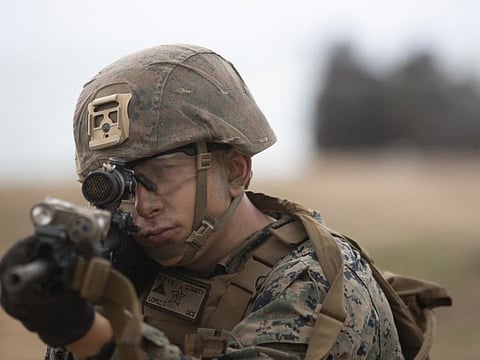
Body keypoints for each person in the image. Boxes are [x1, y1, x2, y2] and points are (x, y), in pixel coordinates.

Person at [0, 44, 405, 359]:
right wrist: (88, 288)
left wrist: (93, 333)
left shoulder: (317, 284)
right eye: (120, 186)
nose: (141, 206)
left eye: (158, 177)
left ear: (234, 171)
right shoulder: (136, 264)